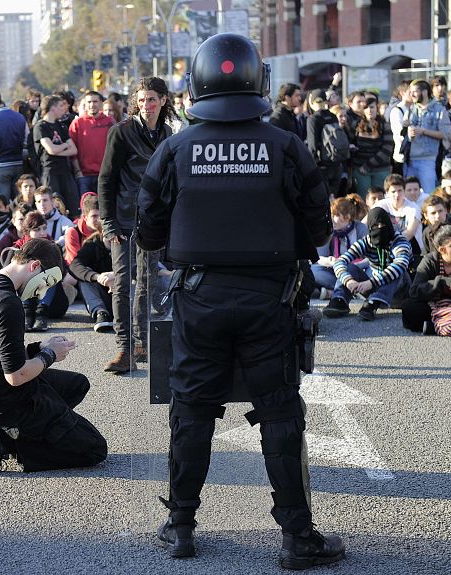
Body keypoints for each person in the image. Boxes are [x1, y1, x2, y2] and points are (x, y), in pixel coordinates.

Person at [135, 34, 344, 569]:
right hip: (269, 297)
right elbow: (318, 225)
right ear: (258, 80)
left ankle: (181, 525)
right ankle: (297, 537)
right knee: (279, 411)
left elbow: (149, 228)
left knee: (192, 409)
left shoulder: (177, 147)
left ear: (196, 84)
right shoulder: (284, 144)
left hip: (198, 297)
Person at [0, 237, 107, 474]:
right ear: (34, 266)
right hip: (8, 401)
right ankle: (9, 440)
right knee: (95, 449)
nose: (42, 292)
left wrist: (39, 347)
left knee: (77, 384)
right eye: (45, 283)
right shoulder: (8, 303)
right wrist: (49, 354)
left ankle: (22, 429)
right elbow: (16, 375)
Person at [98, 76, 173, 374]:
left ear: (163, 100)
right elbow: (106, 179)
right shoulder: (121, 132)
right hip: (123, 218)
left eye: (152, 99)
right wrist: (108, 222)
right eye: (141, 100)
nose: (147, 105)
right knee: (122, 282)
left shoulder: (167, 133)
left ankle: (141, 344)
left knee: (147, 281)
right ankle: (124, 348)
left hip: (152, 219)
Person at [324, 207, 412, 320]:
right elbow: (340, 261)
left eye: (382, 225)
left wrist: (371, 282)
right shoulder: (367, 242)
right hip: (373, 286)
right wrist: (349, 281)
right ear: (370, 228)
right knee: (350, 267)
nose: (379, 229)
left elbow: (401, 264)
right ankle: (339, 299)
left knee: (397, 270)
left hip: (399, 291)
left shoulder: (399, 241)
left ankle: (373, 303)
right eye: (375, 226)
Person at [312, 194, 368, 299]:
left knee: (368, 271)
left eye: (336, 215)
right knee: (312, 270)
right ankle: (350, 290)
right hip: (335, 271)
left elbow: (369, 258)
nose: (332, 219)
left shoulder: (361, 229)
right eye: (331, 215)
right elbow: (319, 258)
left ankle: (338, 291)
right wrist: (330, 261)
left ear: (348, 217)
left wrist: (352, 265)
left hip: (357, 269)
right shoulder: (329, 229)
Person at [403, 224, 451, 334]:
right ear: (442, 250)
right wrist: (441, 284)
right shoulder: (430, 261)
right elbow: (414, 291)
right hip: (433, 303)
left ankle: (432, 327)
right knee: (409, 307)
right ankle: (439, 325)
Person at [0, 88, 29, 199]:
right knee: (19, 200)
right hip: (18, 162)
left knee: (1, 201)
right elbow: (27, 140)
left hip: (0, 165)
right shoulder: (20, 117)